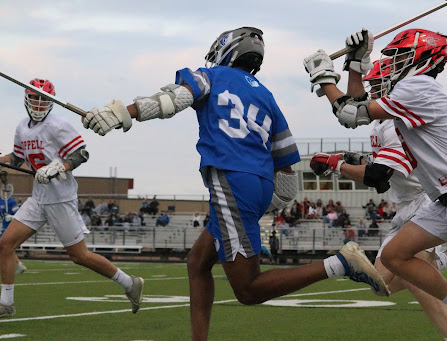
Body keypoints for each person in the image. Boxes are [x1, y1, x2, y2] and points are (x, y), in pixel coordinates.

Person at [81, 26, 389, 340]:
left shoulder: (209, 75)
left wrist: (122, 113)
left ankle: (340, 263)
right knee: (197, 262)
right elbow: (287, 164)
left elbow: (171, 100)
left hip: (231, 180)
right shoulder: (265, 95)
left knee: (247, 289)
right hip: (258, 184)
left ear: (226, 49)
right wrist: (262, 201)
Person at [305, 27, 447, 339]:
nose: (392, 64)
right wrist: (357, 64)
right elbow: (360, 103)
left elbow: (351, 112)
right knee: (394, 256)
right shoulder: (411, 93)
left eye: (399, 57)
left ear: (423, 59)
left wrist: (324, 79)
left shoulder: (418, 87)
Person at [0, 79, 143, 318]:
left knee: (79, 256)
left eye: (43, 98)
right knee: (5, 244)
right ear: (27, 99)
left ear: (51, 101)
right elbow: (16, 159)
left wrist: (59, 166)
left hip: (60, 198)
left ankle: (130, 283)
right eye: (34, 97)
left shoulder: (58, 125)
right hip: (38, 198)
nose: (38, 102)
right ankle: (6, 303)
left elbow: (81, 154)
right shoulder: (22, 127)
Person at [0, 173, 26, 274]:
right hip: (2, 227)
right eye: (4, 191)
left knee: (5, 247)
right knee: (7, 248)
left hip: (10, 227)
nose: (5, 193)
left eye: (7, 191)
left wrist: (11, 217)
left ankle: (18, 264)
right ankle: (19, 264)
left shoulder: (12, 202)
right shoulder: (1, 201)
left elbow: (19, 215)